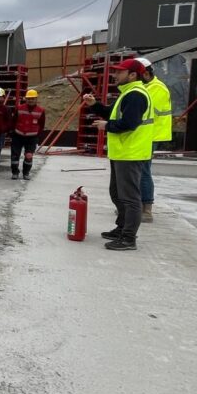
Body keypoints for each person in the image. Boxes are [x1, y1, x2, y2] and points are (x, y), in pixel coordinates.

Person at [83, 58, 155, 251]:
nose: (115, 75)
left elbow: (130, 123)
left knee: (130, 197)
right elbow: (112, 113)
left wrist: (107, 127)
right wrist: (94, 105)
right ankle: (121, 228)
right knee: (117, 193)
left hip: (131, 153)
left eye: (119, 72)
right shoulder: (127, 94)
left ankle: (128, 238)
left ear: (132, 75)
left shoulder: (136, 95)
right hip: (122, 152)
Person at [137, 57, 172, 222]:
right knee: (138, 171)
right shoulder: (147, 86)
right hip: (144, 134)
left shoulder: (157, 88)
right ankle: (137, 206)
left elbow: (143, 112)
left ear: (145, 73)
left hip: (150, 135)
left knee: (143, 171)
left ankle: (146, 210)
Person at [9, 89, 45, 181]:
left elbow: (41, 125)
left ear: (36, 99)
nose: (30, 100)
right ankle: (15, 172)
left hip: (32, 138)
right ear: (26, 99)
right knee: (15, 156)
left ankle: (26, 173)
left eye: (33, 99)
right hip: (18, 135)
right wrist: (12, 132)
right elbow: (13, 121)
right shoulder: (19, 108)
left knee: (29, 156)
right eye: (29, 99)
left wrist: (37, 136)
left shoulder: (41, 111)